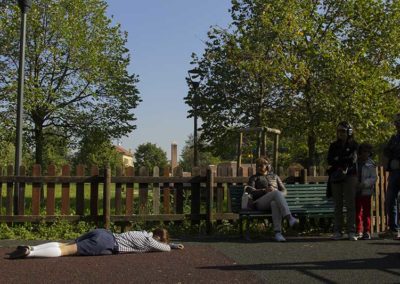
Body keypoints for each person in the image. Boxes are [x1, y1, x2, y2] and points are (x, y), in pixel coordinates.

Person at [8, 228, 184, 259]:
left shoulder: (142, 232)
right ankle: (30, 253)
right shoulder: (149, 240)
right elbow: (165, 249)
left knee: (65, 243)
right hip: (107, 243)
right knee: (67, 251)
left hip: (103, 232)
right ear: (159, 238)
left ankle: (32, 247)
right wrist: (173, 245)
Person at [246, 157, 299, 242]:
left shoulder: (275, 176)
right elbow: (251, 192)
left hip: (273, 202)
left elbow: (284, 191)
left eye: (261, 165)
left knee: (274, 203)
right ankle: (290, 218)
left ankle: (278, 233)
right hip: (260, 203)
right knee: (276, 192)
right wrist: (264, 190)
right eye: (257, 166)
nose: (259, 167)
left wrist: (278, 195)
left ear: (268, 166)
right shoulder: (254, 178)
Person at [327, 121, 359, 241]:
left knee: (350, 204)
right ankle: (337, 231)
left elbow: (352, 159)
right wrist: (341, 160)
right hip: (336, 176)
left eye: (343, 131)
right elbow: (330, 160)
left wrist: (338, 159)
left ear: (349, 132)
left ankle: (351, 231)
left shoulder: (354, 145)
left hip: (350, 176)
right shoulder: (333, 145)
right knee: (338, 205)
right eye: (338, 131)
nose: (340, 133)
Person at [355, 143, 377, 240]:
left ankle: (366, 231)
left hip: (366, 191)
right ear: (360, 152)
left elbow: (374, 178)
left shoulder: (371, 164)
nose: (366, 154)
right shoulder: (354, 163)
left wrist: (364, 184)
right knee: (357, 212)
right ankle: (358, 230)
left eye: (368, 152)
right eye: (364, 151)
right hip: (355, 190)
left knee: (366, 212)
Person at [383, 113, 400, 236]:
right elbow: (386, 150)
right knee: (390, 200)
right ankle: (393, 228)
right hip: (394, 172)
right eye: (396, 122)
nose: (397, 125)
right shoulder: (394, 138)